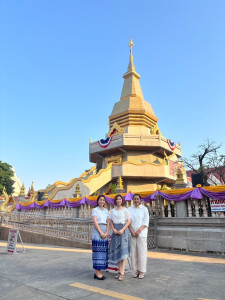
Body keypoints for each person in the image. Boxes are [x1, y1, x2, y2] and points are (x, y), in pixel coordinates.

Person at [108, 194, 131, 281]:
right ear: (115, 201)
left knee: (123, 252)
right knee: (117, 251)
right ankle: (120, 270)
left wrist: (123, 229)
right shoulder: (113, 210)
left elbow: (129, 220)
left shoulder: (125, 210)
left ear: (122, 201)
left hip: (123, 231)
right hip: (115, 232)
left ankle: (122, 272)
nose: (118, 201)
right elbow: (110, 221)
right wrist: (113, 229)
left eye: (120, 199)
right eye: (117, 199)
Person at [128, 194, 149, 279]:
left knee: (142, 253)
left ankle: (142, 271)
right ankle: (135, 270)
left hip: (142, 234)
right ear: (133, 200)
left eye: (137, 199)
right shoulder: (129, 209)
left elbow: (145, 221)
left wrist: (139, 231)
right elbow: (128, 221)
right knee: (133, 253)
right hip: (132, 234)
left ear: (140, 200)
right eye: (135, 199)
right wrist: (132, 231)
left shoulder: (144, 209)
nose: (136, 200)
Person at [92, 195, 110, 280]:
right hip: (97, 231)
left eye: (103, 200)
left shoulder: (106, 211)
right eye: (100, 200)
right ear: (98, 201)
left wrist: (106, 232)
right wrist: (101, 232)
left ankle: (100, 272)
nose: (102, 201)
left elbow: (108, 222)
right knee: (97, 251)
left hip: (105, 231)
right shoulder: (95, 210)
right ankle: (97, 272)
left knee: (103, 252)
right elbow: (95, 222)